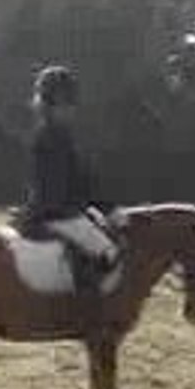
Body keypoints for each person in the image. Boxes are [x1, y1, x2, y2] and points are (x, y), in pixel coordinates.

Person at [21, 65, 120, 298]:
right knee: (108, 252)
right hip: (55, 214)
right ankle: (88, 306)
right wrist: (85, 210)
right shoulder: (51, 137)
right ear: (50, 105)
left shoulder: (58, 134)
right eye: (64, 104)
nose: (70, 110)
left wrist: (108, 209)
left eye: (70, 104)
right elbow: (61, 186)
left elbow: (83, 181)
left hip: (62, 211)